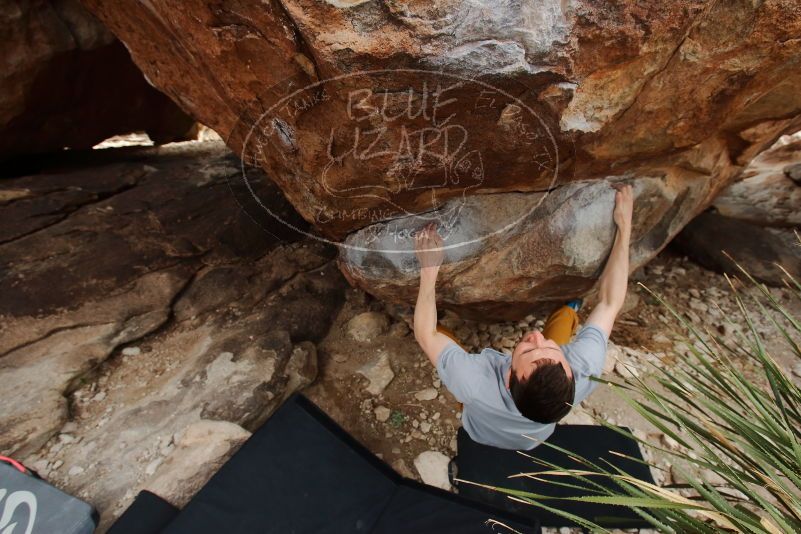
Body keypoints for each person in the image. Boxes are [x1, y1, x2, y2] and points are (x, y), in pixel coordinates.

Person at [412, 183, 634, 450]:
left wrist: (429, 270)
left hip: (479, 428)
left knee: (437, 333)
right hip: (532, 440)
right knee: (564, 321)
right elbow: (610, 302)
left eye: (529, 350)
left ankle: (564, 320)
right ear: (571, 378)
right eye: (551, 350)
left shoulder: (474, 383)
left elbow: (425, 335)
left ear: (508, 379)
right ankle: (569, 309)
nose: (537, 336)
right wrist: (624, 229)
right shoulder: (584, 369)